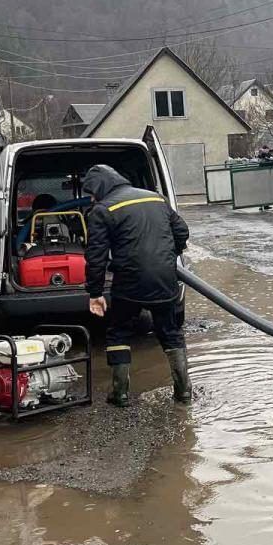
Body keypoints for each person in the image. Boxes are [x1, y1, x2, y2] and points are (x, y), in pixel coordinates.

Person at [83, 165, 191, 406]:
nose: (91, 198)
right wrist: (169, 255)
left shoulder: (102, 209)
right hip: (165, 280)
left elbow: (96, 256)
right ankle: (184, 391)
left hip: (129, 283)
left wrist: (95, 293)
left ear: (100, 187)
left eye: (91, 192)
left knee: (119, 331)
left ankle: (120, 394)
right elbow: (182, 231)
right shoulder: (156, 198)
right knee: (171, 332)